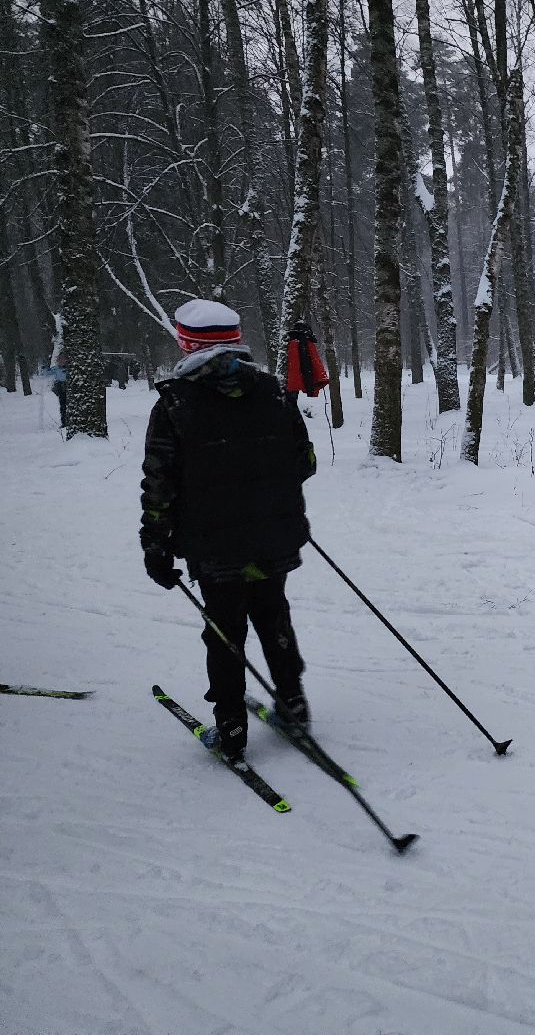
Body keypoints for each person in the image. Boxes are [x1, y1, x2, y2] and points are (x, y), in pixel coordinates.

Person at [139, 299, 317, 764]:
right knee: (273, 615)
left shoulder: (175, 403)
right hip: (274, 537)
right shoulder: (273, 391)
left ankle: (232, 726)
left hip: (217, 547)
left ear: (187, 342)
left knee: (224, 630)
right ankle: (293, 705)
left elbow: (159, 484)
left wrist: (155, 545)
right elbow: (305, 463)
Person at [47, 351, 68, 428]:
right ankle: (64, 422)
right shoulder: (56, 369)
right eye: (60, 359)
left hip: (68, 387)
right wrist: (45, 367)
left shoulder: (69, 368)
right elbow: (48, 373)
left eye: (64, 359)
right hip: (60, 387)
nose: (62, 361)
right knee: (62, 406)